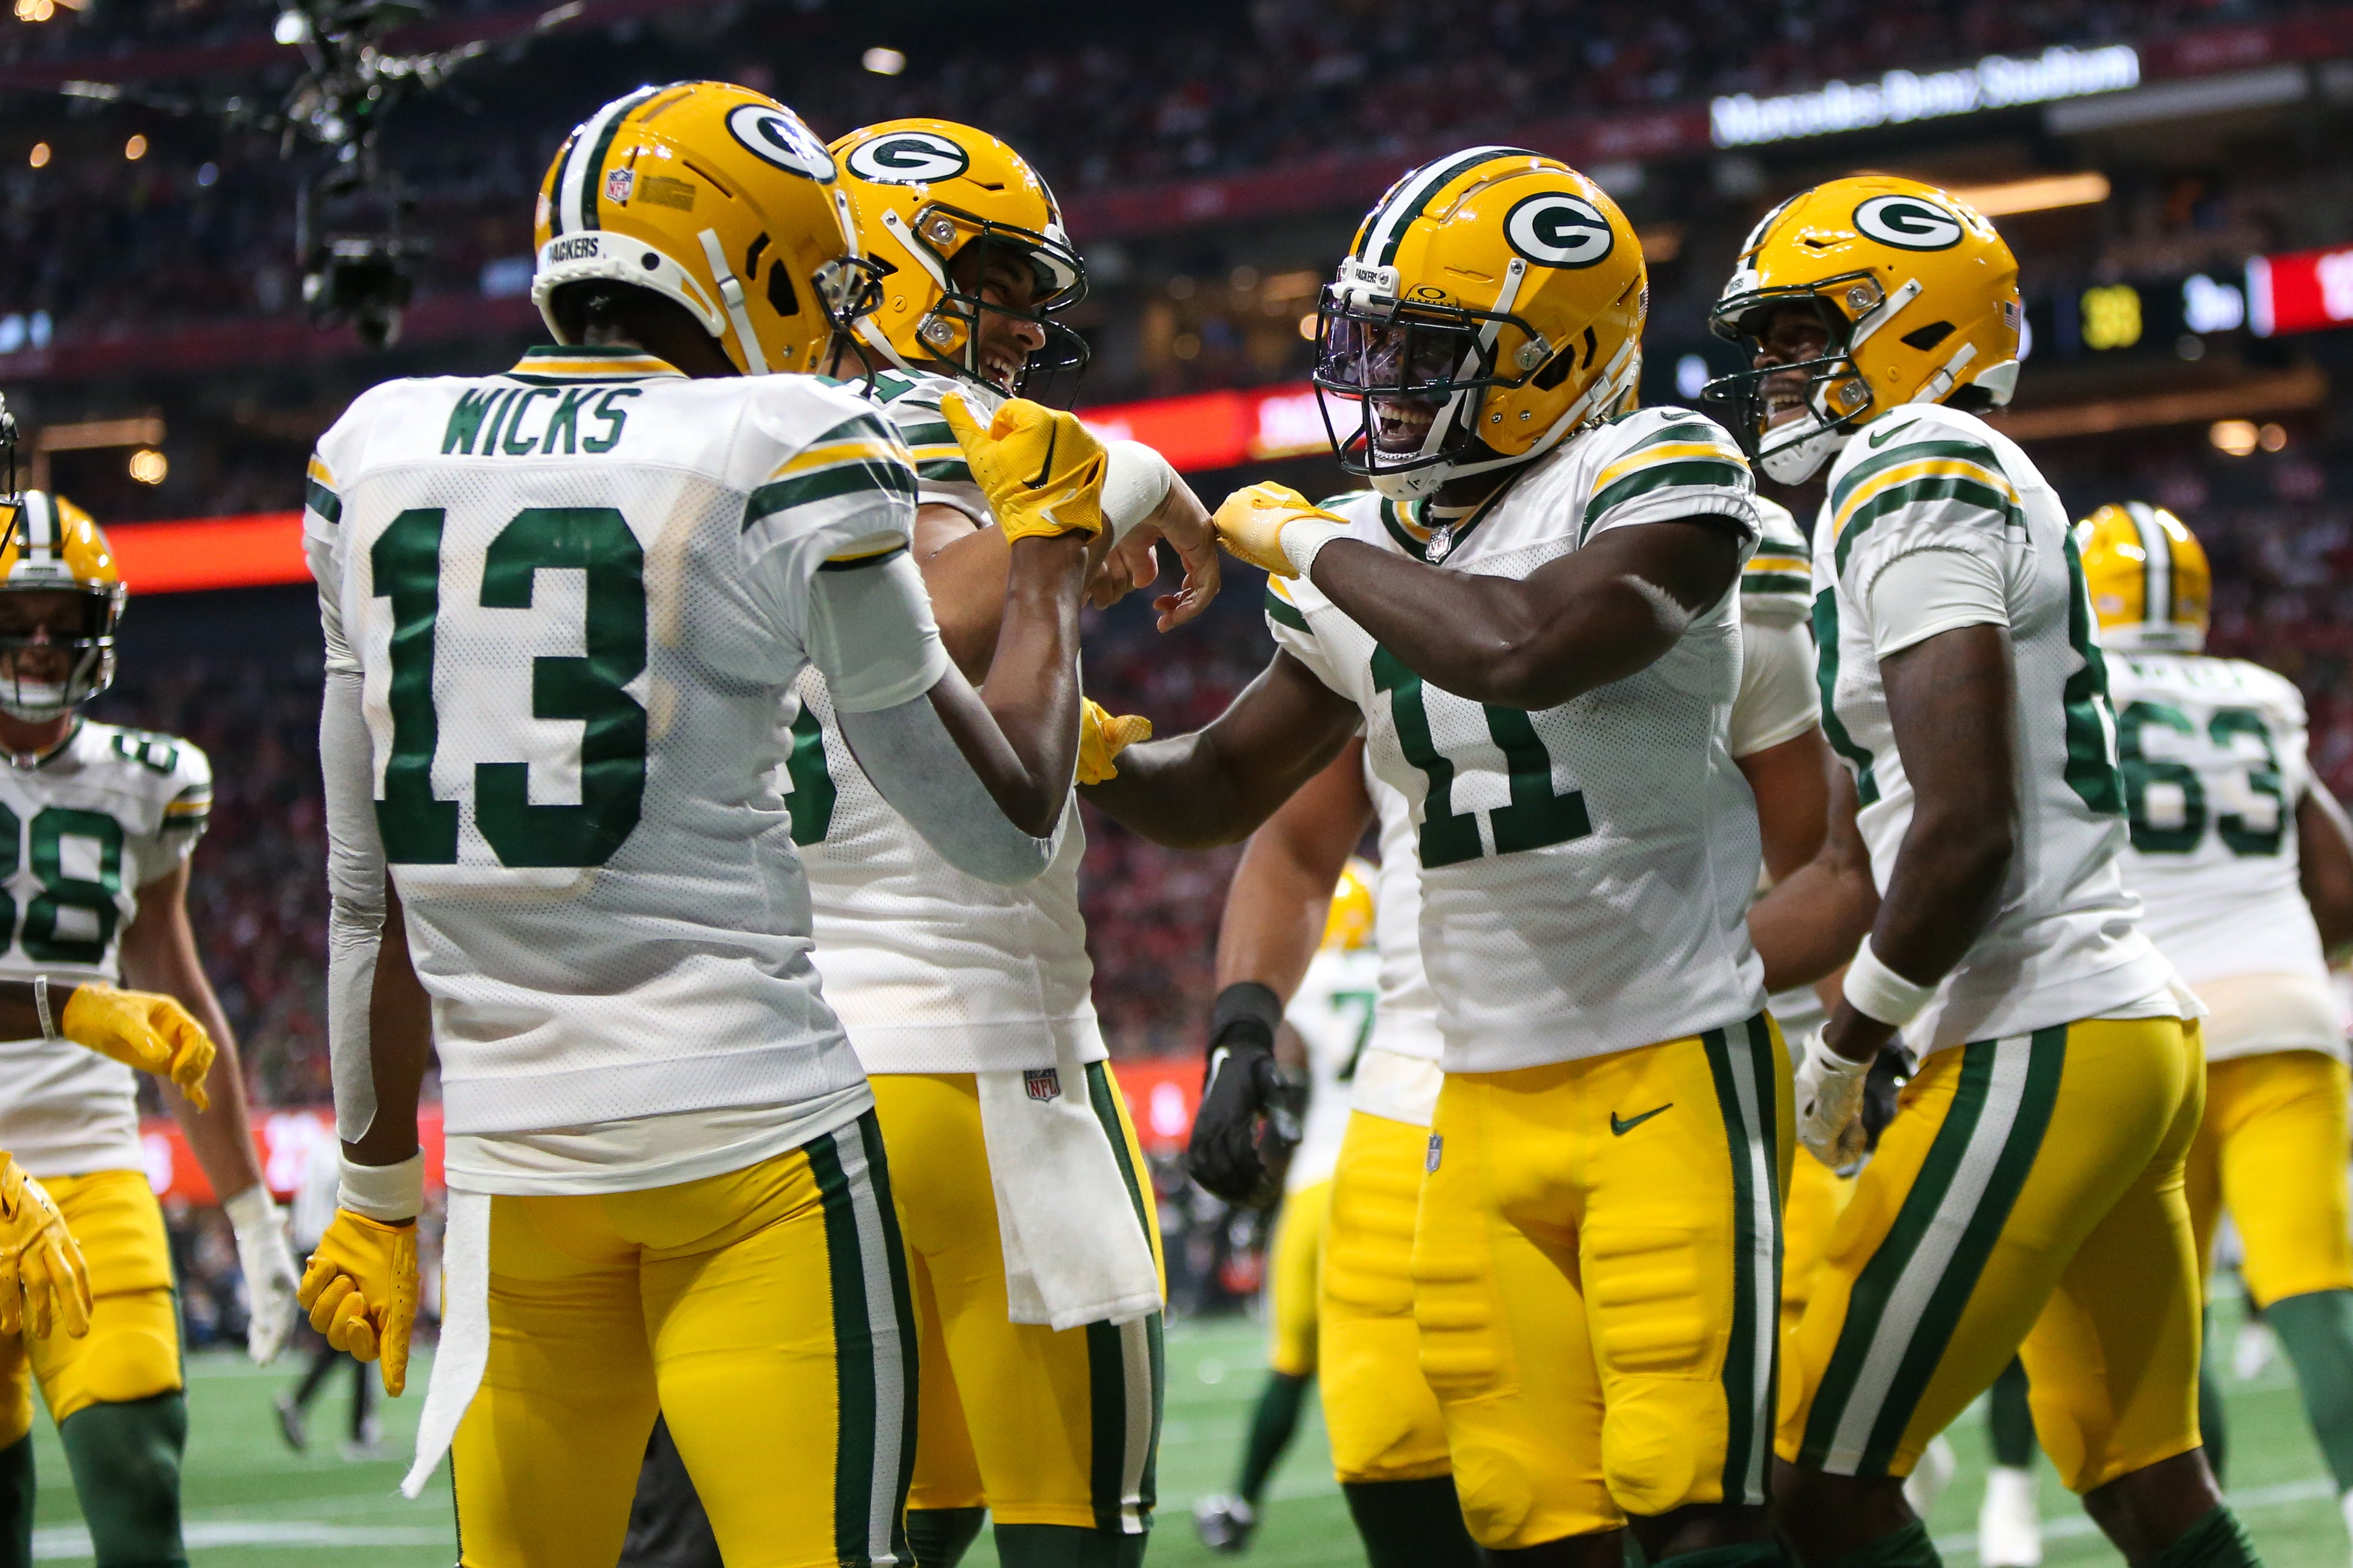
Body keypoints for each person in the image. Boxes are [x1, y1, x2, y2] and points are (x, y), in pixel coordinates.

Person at [293, 81, 1114, 1566]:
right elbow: (1002, 826)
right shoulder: (786, 438)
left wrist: (370, 1186)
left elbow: (369, 899)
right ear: (762, 256)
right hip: (755, 1154)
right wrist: (1051, 567)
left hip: (510, 1185)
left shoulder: (372, 448)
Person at [1089, 146, 1794, 1568]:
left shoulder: (1657, 466)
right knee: (1525, 1517)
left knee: (1694, 1506)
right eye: (1374, 350)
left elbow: (1528, 646)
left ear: (1552, 360)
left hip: (1669, 1059)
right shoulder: (1372, 537)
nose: (1387, 388)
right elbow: (1221, 789)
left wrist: (1299, 540)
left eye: (1424, 355)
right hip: (1471, 1094)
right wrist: (1066, 729)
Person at [1712, 176, 2254, 1568]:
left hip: (2038, 1022)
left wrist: (1853, 1027)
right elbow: (1866, 850)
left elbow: (1965, 830)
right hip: (2107, 1021)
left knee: (1815, 1482)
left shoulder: (1915, 464)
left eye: (1797, 331)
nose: (1773, 366)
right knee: (2150, 1488)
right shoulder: (1921, 474)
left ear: (1913, 326)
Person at [793, 116, 1217, 1568]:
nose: (1029, 321)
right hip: (988, 1056)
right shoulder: (913, 425)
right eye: (996, 278)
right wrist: (1132, 472)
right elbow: (938, 598)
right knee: (1074, 1533)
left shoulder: (746, 441)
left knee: (897, 1529)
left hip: (815, 1076)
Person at [0, 489, 296, 1568]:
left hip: (91, 1168)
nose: (43, 641)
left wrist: (253, 1212)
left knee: (138, 1495)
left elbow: (176, 995)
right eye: (20, 616)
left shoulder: (146, 781)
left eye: (65, 619)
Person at [2079, 501, 2353, 1558]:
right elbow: (2337, 883)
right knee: (2312, 1288)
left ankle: (2206, 1538)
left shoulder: (2072, 691)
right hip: (2283, 1009)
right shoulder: (2262, 692)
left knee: (2173, 1313)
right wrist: (2282, 948)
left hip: (2149, 1026)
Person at [1194, 859, 1377, 1552]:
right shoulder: (1395, 968)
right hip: (1402, 1169)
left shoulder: (1314, 982)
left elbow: (1288, 1093)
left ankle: (1240, 1503)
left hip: (1323, 1184)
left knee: (1294, 1358)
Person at [276, 1124, 378, 1459]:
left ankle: (305, 1405)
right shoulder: (345, 1151)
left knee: (348, 1341)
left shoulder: (318, 1148)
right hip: (331, 1250)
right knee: (360, 1336)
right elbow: (353, 1204)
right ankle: (358, 1431)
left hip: (310, 1250)